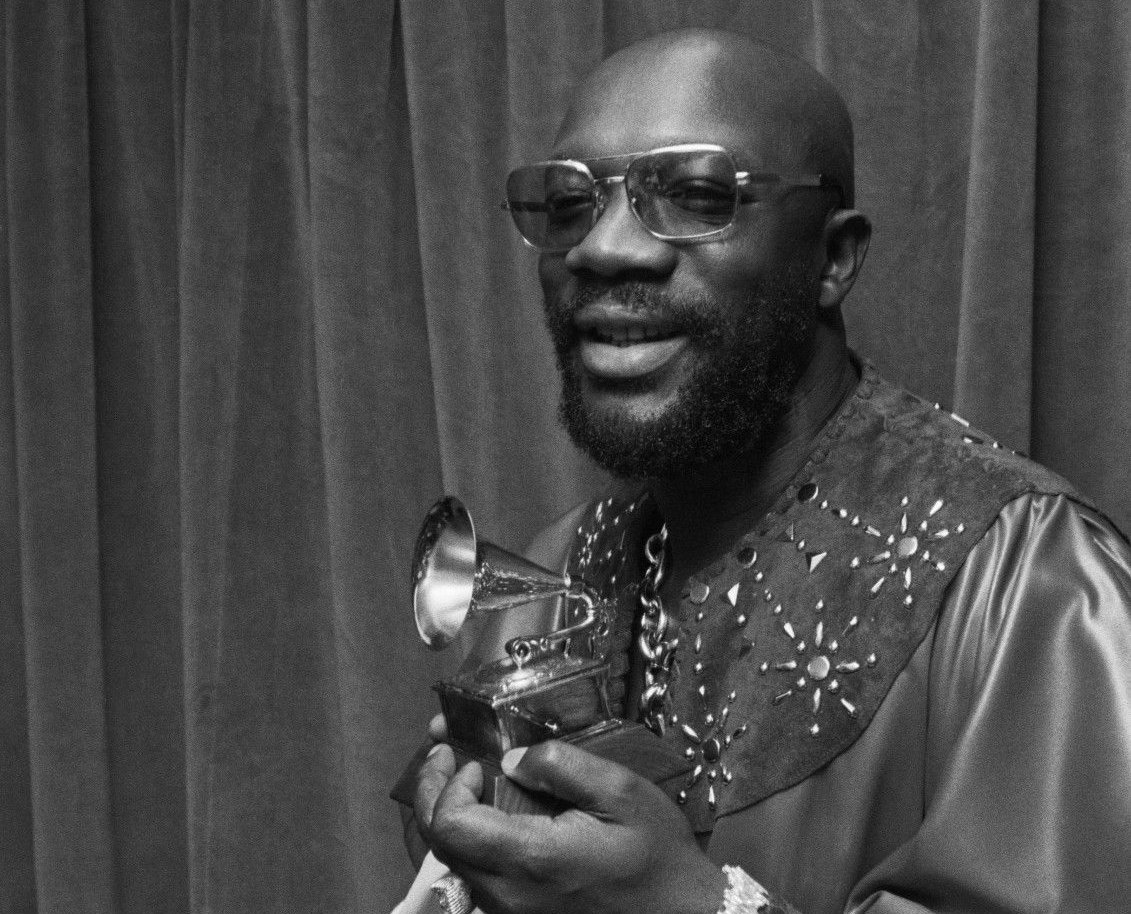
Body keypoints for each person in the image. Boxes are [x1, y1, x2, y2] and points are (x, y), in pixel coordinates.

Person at [404, 28, 1131, 914]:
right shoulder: (556, 571)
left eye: (696, 195)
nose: (602, 248)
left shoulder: (1034, 586)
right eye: (568, 205)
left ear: (833, 258)